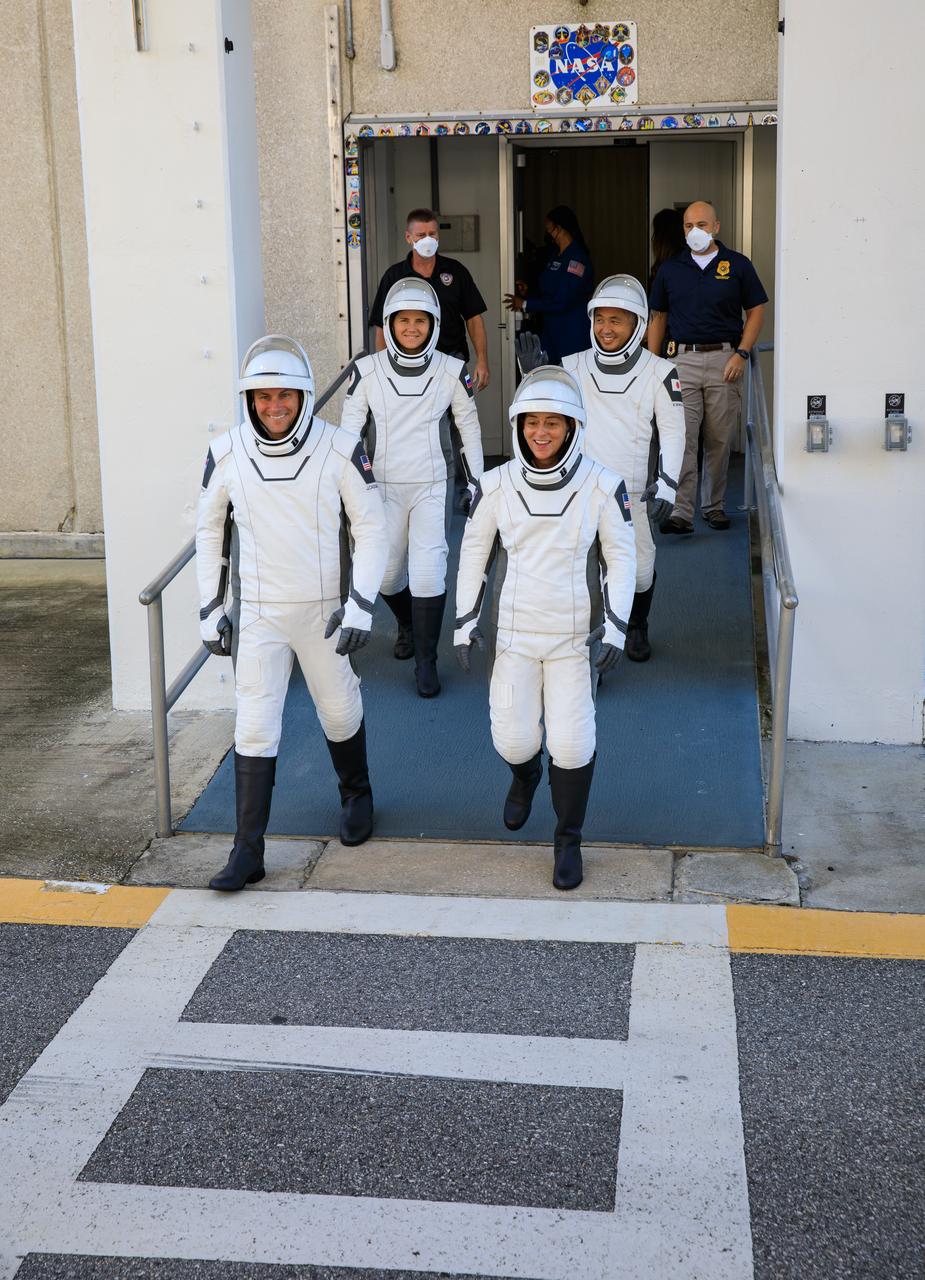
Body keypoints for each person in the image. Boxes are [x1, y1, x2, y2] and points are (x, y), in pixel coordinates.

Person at [197, 335, 387, 892]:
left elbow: (370, 528)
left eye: (284, 395)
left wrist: (360, 604)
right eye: (262, 396)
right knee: (254, 724)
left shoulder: (341, 447)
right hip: (258, 612)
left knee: (337, 707)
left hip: (325, 611)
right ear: (248, 399)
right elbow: (210, 532)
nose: (273, 406)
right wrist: (209, 608)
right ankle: (247, 851)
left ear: (304, 396)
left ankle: (357, 793)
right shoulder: (224, 452)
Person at [453, 367, 636, 891]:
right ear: (517, 426)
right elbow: (473, 556)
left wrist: (617, 627)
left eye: (552, 423)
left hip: (573, 640)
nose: (540, 433)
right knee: (512, 740)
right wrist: (465, 623)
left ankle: (567, 839)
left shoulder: (604, 485)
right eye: (532, 422)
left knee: (573, 745)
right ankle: (524, 774)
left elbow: (620, 560)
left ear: (573, 426)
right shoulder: (496, 485)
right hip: (513, 636)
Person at [341, 278, 484, 698]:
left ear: (433, 324)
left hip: (431, 484)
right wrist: (346, 489)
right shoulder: (365, 371)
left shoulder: (453, 371)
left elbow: (469, 429)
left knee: (428, 573)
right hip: (380, 486)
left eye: (420, 320)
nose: (411, 328)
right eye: (402, 320)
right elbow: (349, 437)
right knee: (386, 574)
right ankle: (406, 622)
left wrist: (476, 481)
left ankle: (426, 661)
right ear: (389, 323)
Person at [563, 274, 686, 662]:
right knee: (581, 567)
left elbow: (673, 432)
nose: (606, 328)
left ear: (637, 322)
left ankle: (637, 624)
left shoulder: (660, 373)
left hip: (631, 491)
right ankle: (589, 637)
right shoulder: (572, 365)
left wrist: (667, 483)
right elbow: (547, 421)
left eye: (616, 320)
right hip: (580, 488)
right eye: (600, 319)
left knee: (639, 572)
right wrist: (534, 376)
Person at [647, 200, 767, 534]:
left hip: (724, 360)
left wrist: (741, 353)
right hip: (681, 361)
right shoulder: (671, 269)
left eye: (701, 224)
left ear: (716, 227)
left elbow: (756, 309)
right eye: (688, 226)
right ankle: (681, 512)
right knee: (681, 438)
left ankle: (713, 507)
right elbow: (658, 317)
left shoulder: (738, 265)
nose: (694, 231)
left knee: (719, 437)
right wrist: (653, 364)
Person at [369, 208, 490, 389]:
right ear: (408, 237)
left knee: (458, 415)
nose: (428, 240)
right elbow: (381, 325)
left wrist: (482, 360)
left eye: (432, 234)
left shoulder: (456, 271)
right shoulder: (394, 276)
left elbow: (474, 318)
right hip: (406, 364)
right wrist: (383, 368)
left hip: (451, 360)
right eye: (421, 235)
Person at [503, 205, 594, 363]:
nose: (547, 233)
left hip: (571, 332)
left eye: (549, 228)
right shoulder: (555, 255)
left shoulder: (576, 259)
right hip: (551, 330)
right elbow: (549, 291)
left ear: (559, 228)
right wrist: (529, 292)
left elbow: (562, 301)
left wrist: (525, 304)